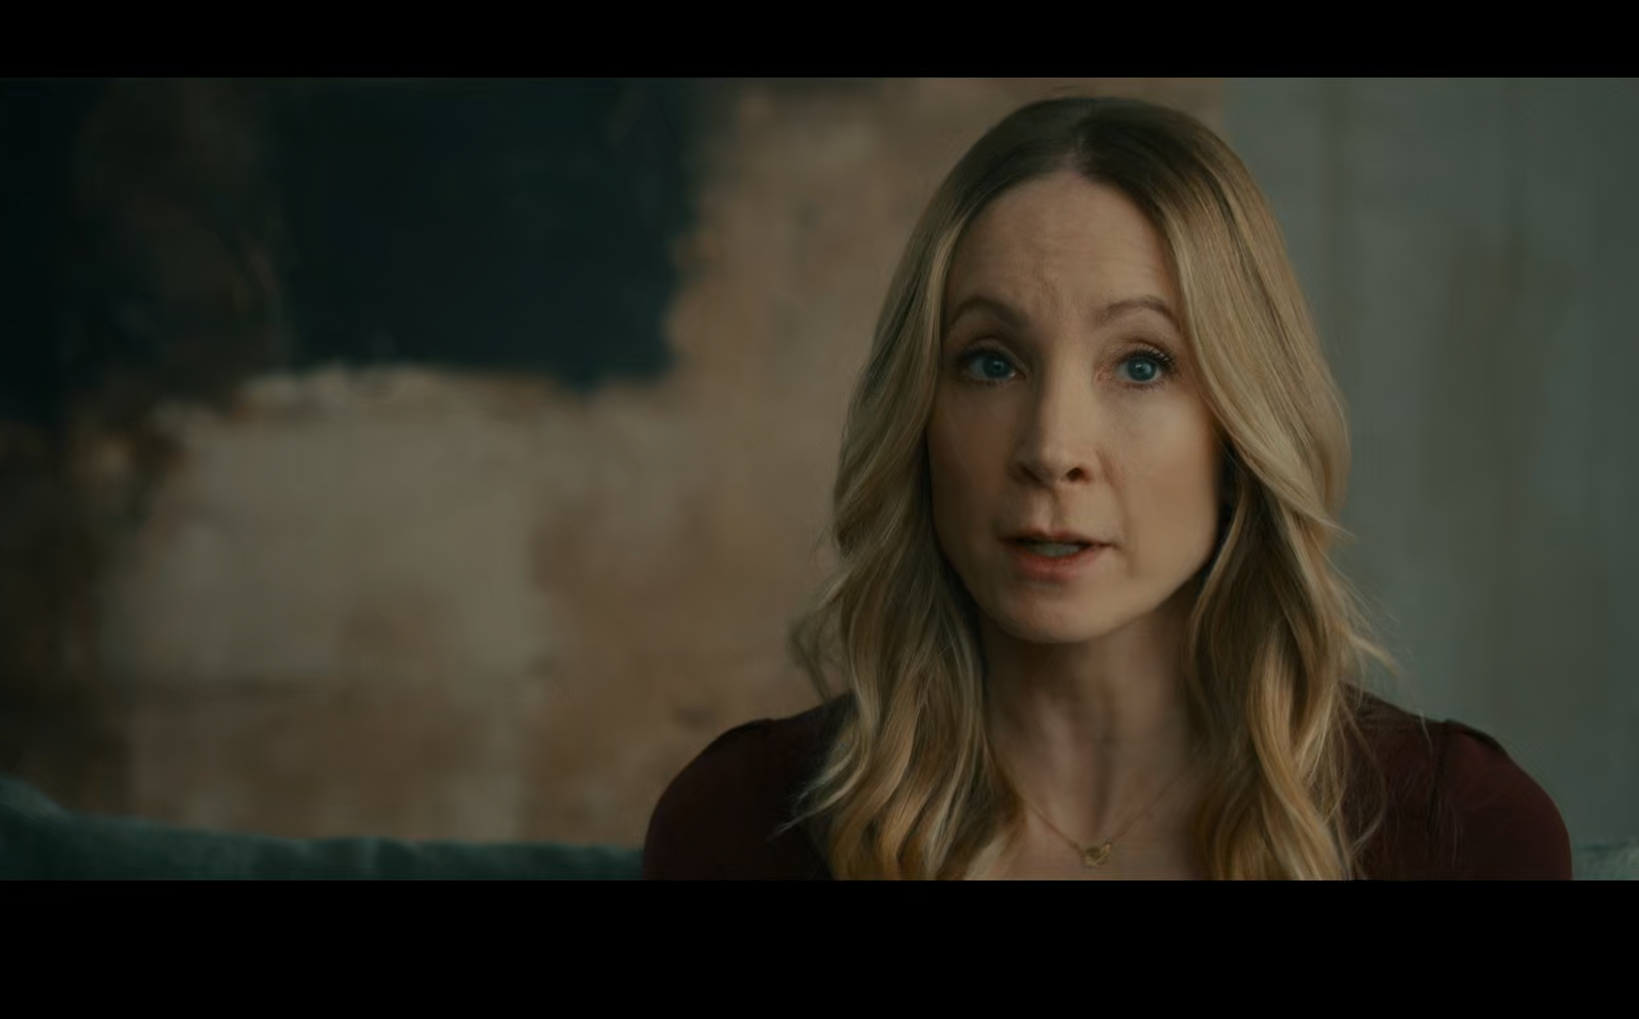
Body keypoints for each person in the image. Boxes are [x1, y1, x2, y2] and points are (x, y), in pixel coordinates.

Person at [642, 96, 1571, 880]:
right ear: (918, 416)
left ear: (1241, 429)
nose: (1052, 450)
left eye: (1142, 365)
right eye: (991, 362)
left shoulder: (1460, 833)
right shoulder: (738, 829)